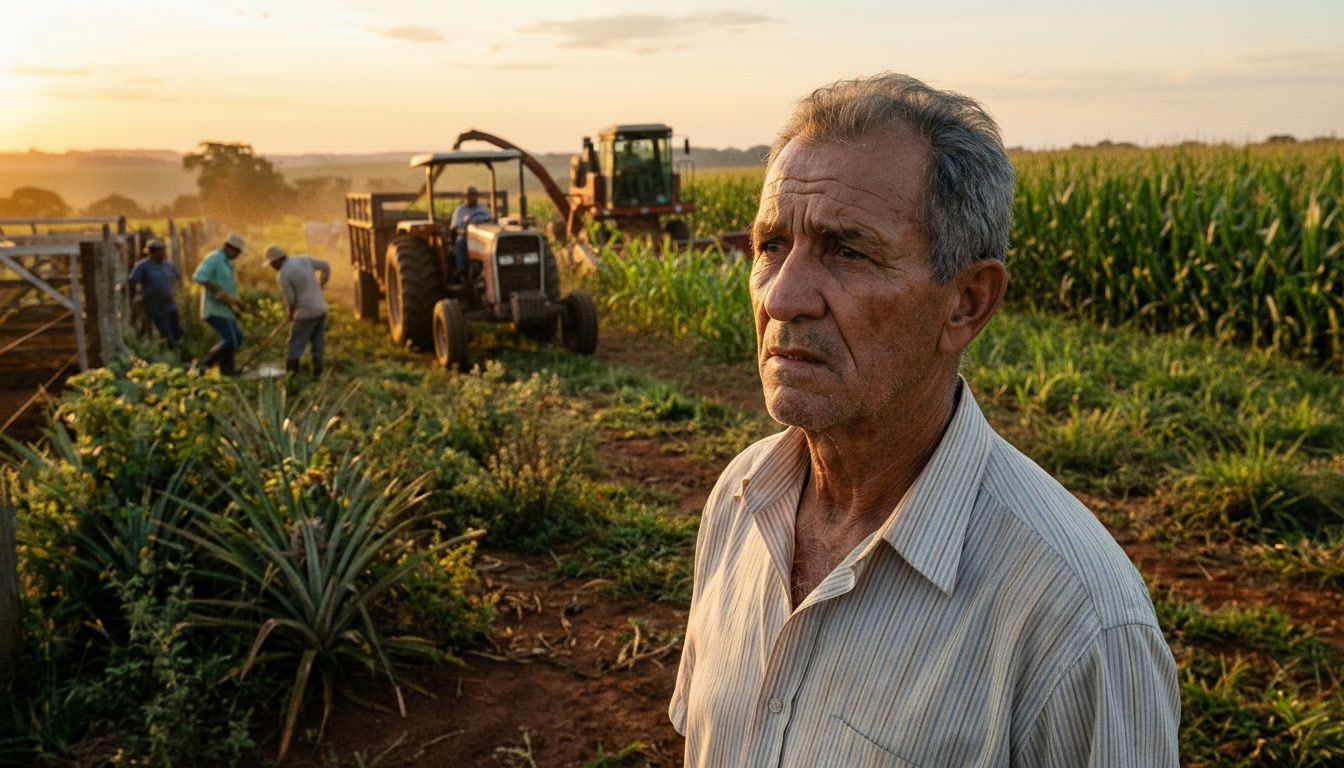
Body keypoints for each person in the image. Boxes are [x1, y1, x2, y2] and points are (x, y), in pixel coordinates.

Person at [669, 73, 1179, 767]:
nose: (784, 296)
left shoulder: (1077, 620)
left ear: (967, 302)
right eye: (770, 246)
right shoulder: (738, 501)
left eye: (846, 251)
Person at [264, 245, 330, 376]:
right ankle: (318, 369)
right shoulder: (302, 260)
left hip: (304, 313)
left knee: (295, 343)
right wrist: (322, 282)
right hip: (321, 308)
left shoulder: (283, 275)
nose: (272, 266)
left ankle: (291, 374)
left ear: (277, 260)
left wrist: (291, 313)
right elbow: (325, 265)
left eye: (272, 263)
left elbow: (291, 299)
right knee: (318, 341)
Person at [193, 232, 246, 375]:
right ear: (229, 247)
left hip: (226, 309)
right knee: (231, 340)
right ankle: (203, 366)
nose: (238, 255)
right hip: (215, 309)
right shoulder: (214, 258)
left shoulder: (227, 262)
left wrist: (236, 301)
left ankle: (227, 371)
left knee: (237, 338)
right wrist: (219, 292)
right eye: (237, 252)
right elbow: (199, 277)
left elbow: (227, 286)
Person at [127, 238, 183, 348]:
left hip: (170, 302)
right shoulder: (143, 266)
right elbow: (132, 280)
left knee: (176, 330)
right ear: (152, 252)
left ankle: (177, 351)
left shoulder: (167, 265)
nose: (162, 253)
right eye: (159, 251)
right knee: (164, 330)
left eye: (163, 250)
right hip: (155, 304)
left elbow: (178, 278)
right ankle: (166, 350)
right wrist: (136, 295)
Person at [450, 185, 492, 275]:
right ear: (465, 196)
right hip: (465, 235)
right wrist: (463, 228)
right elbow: (455, 226)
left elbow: (490, 220)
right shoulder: (460, 210)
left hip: (480, 236)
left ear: (477, 196)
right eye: (468, 195)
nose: (471, 197)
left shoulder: (484, 209)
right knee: (460, 243)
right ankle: (462, 270)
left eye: (473, 195)